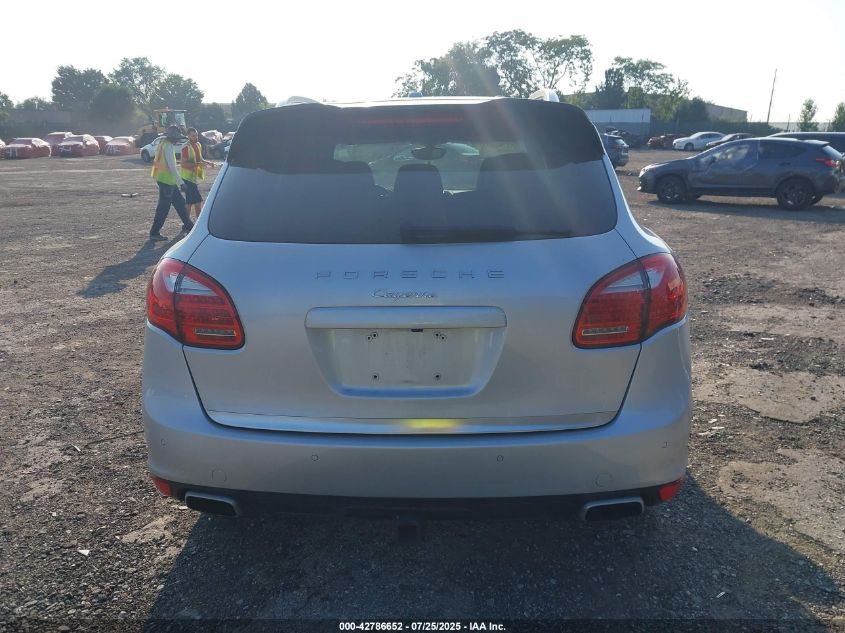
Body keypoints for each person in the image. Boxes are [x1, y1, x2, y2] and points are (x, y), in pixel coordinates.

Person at [148, 125, 193, 241]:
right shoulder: (168, 146)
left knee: (180, 204)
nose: (178, 140)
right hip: (166, 181)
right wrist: (181, 183)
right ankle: (154, 233)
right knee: (163, 208)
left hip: (166, 180)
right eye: (176, 138)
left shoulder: (162, 143)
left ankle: (189, 226)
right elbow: (172, 167)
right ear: (172, 138)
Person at [180, 127, 216, 221]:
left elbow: (200, 159)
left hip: (193, 178)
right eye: (193, 136)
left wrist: (208, 162)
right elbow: (183, 164)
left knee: (189, 202)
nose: (195, 137)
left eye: (196, 135)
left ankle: (186, 223)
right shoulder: (186, 147)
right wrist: (198, 164)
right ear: (188, 136)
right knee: (198, 201)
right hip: (187, 178)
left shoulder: (198, 144)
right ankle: (199, 222)